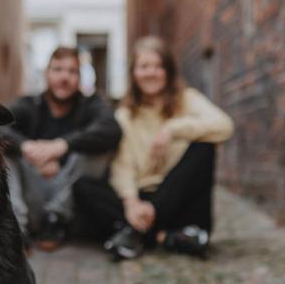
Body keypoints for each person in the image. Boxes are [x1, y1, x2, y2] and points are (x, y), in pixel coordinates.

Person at [74, 36, 234, 260]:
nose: (151, 72)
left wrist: (172, 129)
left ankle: (134, 234)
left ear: (168, 71)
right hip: (142, 200)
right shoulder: (125, 116)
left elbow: (225, 126)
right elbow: (123, 165)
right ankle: (164, 237)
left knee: (204, 147)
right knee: (83, 186)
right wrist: (131, 203)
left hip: (181, 201)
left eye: (158, 66)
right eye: (144, 66)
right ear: (134, 73)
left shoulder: (188, 99)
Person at [0, 46, 121, 251]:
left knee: (98, 149)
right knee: (1, 150)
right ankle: (16, 228)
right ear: (47, 74)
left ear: (79, 78)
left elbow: (112, 130)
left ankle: (55, 219)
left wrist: (61, 146)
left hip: (68, 197)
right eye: (58, 69)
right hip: (31, 191)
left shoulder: (91, 106)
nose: (64, 77)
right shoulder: (30, 104)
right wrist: (26, 147)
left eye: (72, 71)